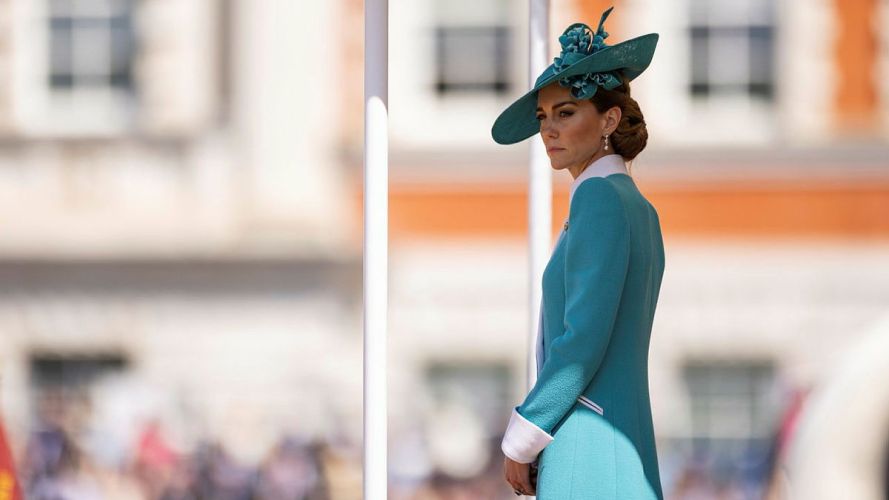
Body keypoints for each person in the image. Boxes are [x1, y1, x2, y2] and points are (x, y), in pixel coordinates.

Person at [491, 6, 664, 499]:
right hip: (620, 441)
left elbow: (581, 339)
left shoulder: (599, 197)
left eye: (566, 113)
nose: (549, 129)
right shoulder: (636, 205)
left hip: (587, 442)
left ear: (609, 117)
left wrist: (522, 437)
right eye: (544, 116)